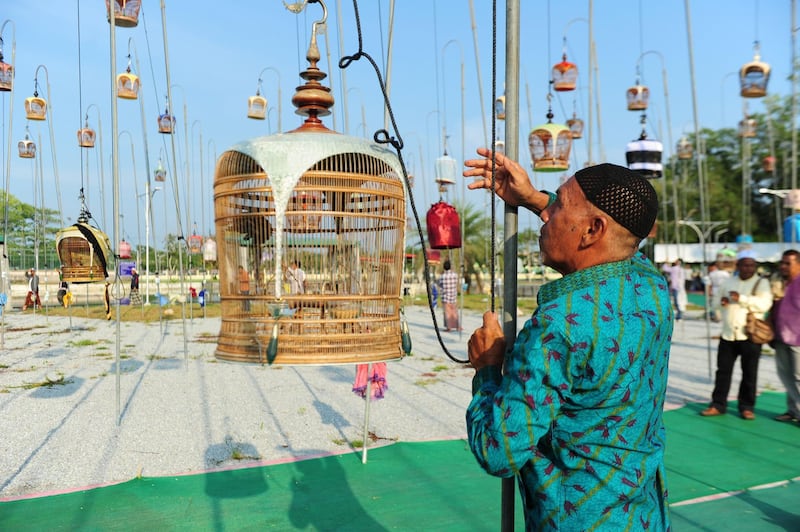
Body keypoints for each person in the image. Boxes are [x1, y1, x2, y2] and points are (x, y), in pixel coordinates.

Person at [463, 149, 671, 530]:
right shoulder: (652, 285)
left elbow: (499, 450)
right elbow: (623, 235)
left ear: (593, 230)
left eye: (559, 207)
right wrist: (532, 197)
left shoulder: (559, 326)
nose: (547, 215)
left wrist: (488, 369)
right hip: (643, 516)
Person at [700, 250, 773, 420]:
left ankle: (746, 407)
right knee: (723, 372)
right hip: (728, 335)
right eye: (745, 265)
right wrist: (722, 302)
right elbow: (715, 302)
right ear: (738, 266)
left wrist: (742, 298)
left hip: (749, 336)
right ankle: (718, 404)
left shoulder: (761, 283)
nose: (749, 268)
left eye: (752, 265)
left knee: (749, 373)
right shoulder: (728, 281)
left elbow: (764, 304)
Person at [772, 249, 800, 423]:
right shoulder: (781, 282)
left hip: (798, 337)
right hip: (781, 335)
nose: (783, 266)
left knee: (799, 376)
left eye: (787, 263)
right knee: (786, 375)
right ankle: (793, 410)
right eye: (782, 263)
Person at [438, 259, 460, 331]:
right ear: (450, 267)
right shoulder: (455, 275)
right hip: (453, 296)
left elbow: (440, 286)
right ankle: (457, 327)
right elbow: (457, 283)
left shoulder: (442, 276)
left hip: (445, 297)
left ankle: (449, 327)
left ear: (444, 267)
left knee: (447, 313)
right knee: (454, 312)